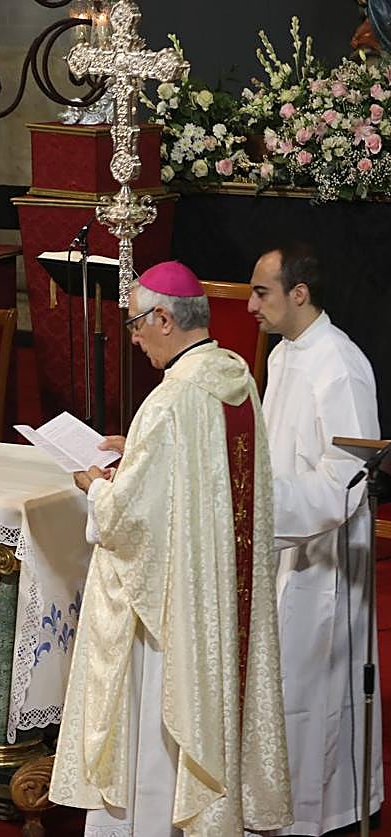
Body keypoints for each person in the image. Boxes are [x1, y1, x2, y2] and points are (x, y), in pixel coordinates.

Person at [51, 261, 293, 836]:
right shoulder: (235, 377)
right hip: (220, 597)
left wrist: (98, 486)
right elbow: (201, 483)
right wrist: (136, 447)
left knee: (156, 731)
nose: (132, 338)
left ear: (164, 317)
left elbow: (133, 521)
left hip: (172, 615)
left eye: (136, 323)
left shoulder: (169, 402)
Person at [248, 244, 383, 835]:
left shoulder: (340, 364)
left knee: (312, 691)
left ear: (298, 294)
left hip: (322, 559)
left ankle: (315, 812)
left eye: (261, 292)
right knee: (280, 690)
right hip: (282, 542)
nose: (249, 304)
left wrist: (266, 508)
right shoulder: (285, 354)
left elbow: (349, 478)